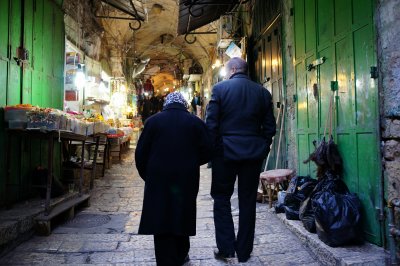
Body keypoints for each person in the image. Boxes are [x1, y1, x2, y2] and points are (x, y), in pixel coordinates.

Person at [206, 57, 276, 263]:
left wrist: (214, 150)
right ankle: (244, 251)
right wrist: (262, 147)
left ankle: (227, 248)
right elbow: (270, 127)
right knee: (247, 201)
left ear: (234, 69)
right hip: (252, 155)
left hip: (225, 154)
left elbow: (211, 125)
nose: (226, 75)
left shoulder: (219, 90)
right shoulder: (262, 93)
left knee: (221, 198)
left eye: (227, 71)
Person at [135, 92, 212, 266]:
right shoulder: (195, 123)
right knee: (182, 214)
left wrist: (148, 176)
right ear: (185, 104)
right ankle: (180, 255)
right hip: (186, 178)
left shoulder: (153, 122)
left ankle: (164, 260)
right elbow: (208, 150)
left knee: (160, 216)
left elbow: (140, 154)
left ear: (166, 104)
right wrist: (192, 162)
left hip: (158, 180)